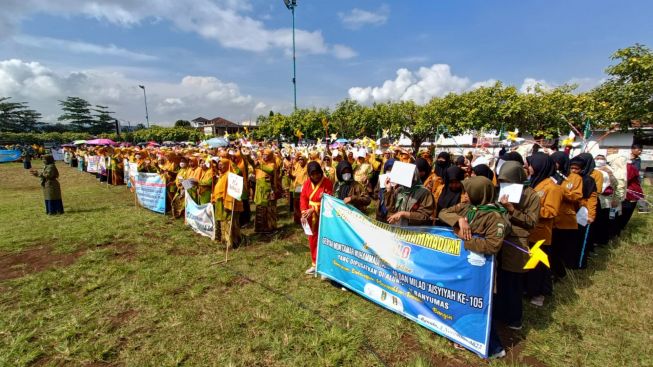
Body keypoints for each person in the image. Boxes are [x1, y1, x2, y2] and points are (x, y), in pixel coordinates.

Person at [438, 176, 510, 359]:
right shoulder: (468, 208)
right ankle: (464, 335)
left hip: (482, 269)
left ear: (479, 194)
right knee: (463, 299)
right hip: (463, 267)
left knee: (481, 304)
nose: (465, 195)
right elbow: (443, 213)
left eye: (468, 192)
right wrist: (458, 221)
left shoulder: (495, 216)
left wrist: (465, 238)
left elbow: (493, 246)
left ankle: (494, 347)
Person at [496, 161, 540, 329]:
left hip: (516, 244)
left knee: (513, 283)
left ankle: (514, 319)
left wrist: (512, 210)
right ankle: (500, 313)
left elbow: (531, 222)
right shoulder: (502, 190)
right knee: (500, 281)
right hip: (500, 240)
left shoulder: (531, 195)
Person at [525, 153, 562, 307]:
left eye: (531, 164)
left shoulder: (553, 188)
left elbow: (551, 211)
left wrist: (531, 210)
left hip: (540, 233)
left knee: (539, 265)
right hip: (528, 231)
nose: (528, 168)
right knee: (529, 265)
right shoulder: (533, 183)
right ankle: (528, 289)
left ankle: (539, 293)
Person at [550, 152, 582, 280]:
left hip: (565, 218)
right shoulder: (551, 176)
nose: (554, 165)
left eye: (556, 162)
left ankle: (559, 273)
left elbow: (577, 196)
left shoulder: (574, 178)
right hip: (551, 217)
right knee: (551, 249)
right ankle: (553, 272)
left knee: (559, 248)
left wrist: (563, 192)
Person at [301, 162, 333, 274]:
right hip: (310, 216)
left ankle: (326, 266)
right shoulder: (306, 184)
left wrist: (314, 209)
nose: (315, 176)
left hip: (323, 215)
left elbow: (329, 200)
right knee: (312, 240)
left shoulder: (327, 183)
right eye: (312, 174)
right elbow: (303, 198)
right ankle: (315, 264)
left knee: (324, 239)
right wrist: (304, 211)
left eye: (317, 173)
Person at [567, 154, 598, 269]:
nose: (574, 171)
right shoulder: (566, 178)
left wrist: (591, 215)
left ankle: (578, 263)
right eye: (572, 168)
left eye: (577, 169)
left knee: (579, 239)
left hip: (582, 213)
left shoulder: (588, 181)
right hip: (569, 212)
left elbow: (592, 198)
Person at [212, 157, 243, 248]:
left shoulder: (230, 175)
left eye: (222, 165)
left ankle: (231, 242)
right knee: (222, 221)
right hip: (219, 201)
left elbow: (239, 174)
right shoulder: (221, 175)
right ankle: (224, 239)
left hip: (226, 201)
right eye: (219, 165)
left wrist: (231, 162)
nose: (220, 166)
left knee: (228, 221)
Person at [254, 149, 279, 233]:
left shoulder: (272, 164)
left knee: (268, 209)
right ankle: (260, 228)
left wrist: (260, 165)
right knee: (260, 208)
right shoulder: (259, 163)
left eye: (266, 155)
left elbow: (270, 170)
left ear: (270, 156)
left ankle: (270, 227)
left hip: (268, 191)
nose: (264, 156)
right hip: (259, 191)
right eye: (263, 154)